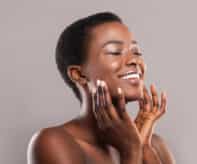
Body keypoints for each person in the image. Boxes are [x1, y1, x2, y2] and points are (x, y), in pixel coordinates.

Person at [27, 12, 175, 164]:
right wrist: (131, 150)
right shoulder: (54, 142)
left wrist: (144, 148)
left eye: (136, 52)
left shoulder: (155, 145)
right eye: (115, 52)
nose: (134, 60)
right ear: (78, 74)